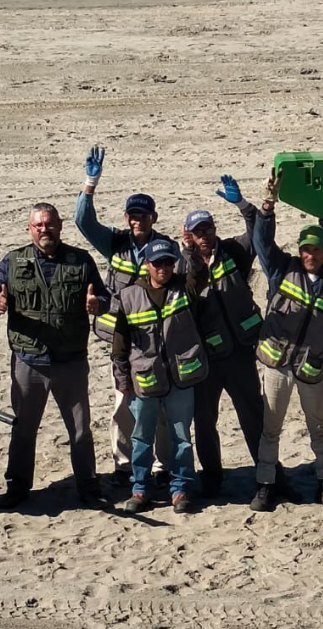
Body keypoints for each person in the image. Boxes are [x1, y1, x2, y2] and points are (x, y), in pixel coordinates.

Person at [0, 202, 110, 508]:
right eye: (38, 225)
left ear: (60, 226)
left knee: (80, 430)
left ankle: (88, 487)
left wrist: (97, 306)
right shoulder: (13, 262)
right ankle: (17, 487)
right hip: (29, 361)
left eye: (50, 224)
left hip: (71, 360)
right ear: (30, 229)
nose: (45, 230)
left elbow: (103, 297)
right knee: (24, 429)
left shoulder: (80, 261)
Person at [249, 174, 323, 512]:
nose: (310, 255)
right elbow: (263, 243)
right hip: (277, 366)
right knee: (270, 430)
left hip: (311, 371)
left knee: (318, 429)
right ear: (300, 250)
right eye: (305, 249)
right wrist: (267, 207)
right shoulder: (282, 270)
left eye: (316, 249)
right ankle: (265, 486)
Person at [74, 145, 172, 485]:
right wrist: (91, 182)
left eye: (143, 216)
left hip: (156, 339)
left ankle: (160, 466)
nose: (136, 221)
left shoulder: (165, 249)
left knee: (157, 405)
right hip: (121, 338)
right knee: (123, 403)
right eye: (132, 215)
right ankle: (123, 463)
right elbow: (82, 222)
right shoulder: (115, 243)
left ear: (153, 219)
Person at [180, 175, 272, 498]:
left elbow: (258, 232)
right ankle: (213, 479)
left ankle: (268, 476)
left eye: (207, 229)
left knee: (254, 416)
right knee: (204, 423)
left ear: (214, 229)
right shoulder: (182, 266)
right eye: (197, 232)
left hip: (240, 354)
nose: (204, 236)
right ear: (188, 236)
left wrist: (243, 203)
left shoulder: (234, 250)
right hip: (206, 359)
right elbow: (185, 298)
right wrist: (190, 257)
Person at [108, 237, 210, 514]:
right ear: (147, 265)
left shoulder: (184, 288)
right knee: (141, 438)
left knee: (181, 438)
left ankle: (181, 489)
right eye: (157, 263)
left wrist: (190, 249)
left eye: (168, 262)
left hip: (181, 379)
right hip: (144, 381)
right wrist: (123, 381)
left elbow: (200, 273)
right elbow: (119, 344)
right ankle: (140, 488)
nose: (163, 268)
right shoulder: (129, 296)